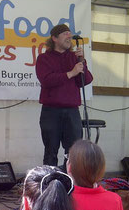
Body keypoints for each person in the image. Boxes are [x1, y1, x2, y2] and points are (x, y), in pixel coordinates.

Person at [35, 24, 93, 167]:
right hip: (51, 111)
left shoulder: (74, 58)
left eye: (70, 33)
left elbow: (86, 80)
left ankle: (71, 185)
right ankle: (49, 184)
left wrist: (82, 62)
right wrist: (70, 73)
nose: (69, 36)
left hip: (72, 111)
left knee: (74, 152)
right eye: (65, 33)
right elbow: (46, 80)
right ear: (54, 38)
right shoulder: (44, 58)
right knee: (50, 151)